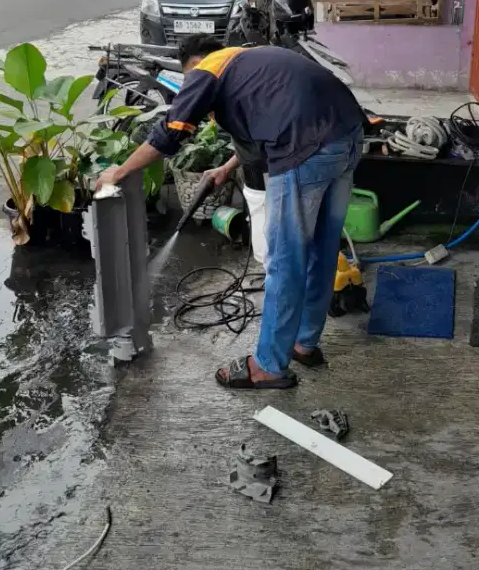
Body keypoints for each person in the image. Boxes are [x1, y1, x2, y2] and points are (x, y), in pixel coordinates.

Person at [96, 36, 365, 390]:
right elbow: (263, 129)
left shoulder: (205, 69)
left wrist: (119, 172)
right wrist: (226, 166)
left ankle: (268, 365)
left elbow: (171, 132)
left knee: (286, 259)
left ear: (193, 65)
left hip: (305, 148)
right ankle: (304, 342)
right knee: (322, 249)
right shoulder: (252, 63)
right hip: (347, 138)